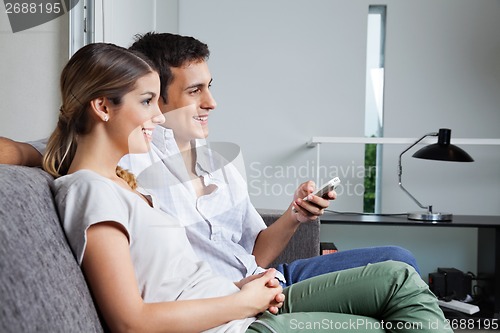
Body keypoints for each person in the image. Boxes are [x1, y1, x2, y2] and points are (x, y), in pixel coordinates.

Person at [43, 41, 451, 333]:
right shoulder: (103, 181)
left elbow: (185, 273)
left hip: (242, 291)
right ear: (102, 107)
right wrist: (242, 301)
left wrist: (288, 224)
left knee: (398, 273)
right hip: (233, 313)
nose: (211, 102)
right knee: (385, 315)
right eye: (148, 101)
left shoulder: (129, 181)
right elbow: (131, 320)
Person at [0, 32, 419, 286]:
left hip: (265, 279)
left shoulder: (220, 162)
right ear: (155, 97)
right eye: (195, 91)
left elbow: (254, 251)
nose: (212, 102)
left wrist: (294, 215)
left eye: (210, 87)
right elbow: (25, 150)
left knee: (396, 257)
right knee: (398, 267)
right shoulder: (121, 151)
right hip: (226, 297)